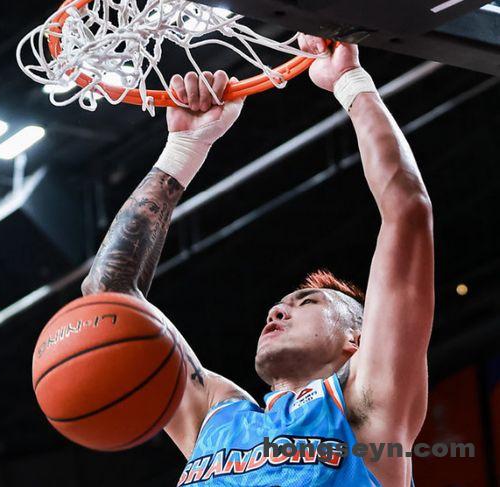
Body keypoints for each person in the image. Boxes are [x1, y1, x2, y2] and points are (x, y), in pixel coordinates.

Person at [81, 34, 434, 486]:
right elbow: (106, 299)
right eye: (284, 303)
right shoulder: (215, 416)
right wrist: (184, 149)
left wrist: (349, 81)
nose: (276, 310)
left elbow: (407, 212)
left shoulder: (365, 405)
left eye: (308, 302)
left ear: (358, 340)